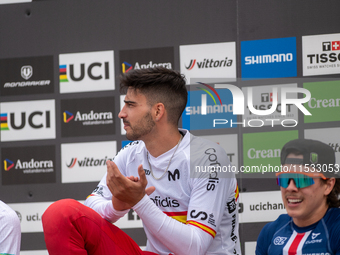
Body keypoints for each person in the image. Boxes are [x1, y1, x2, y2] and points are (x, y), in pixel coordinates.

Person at [42, 67, 241, 255]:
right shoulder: (131, 153)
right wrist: (117, 205)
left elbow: (195, 247)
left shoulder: (209, 158)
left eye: (130, 105)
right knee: (62, 214)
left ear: (157, 111)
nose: (122, 113)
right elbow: (90, 207)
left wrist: (138, 201)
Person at [256, 139, 340, 255]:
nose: (290, 187)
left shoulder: (336, 229)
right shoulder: (270, 232)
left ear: (328, 185)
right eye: (285, 178)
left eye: (302, 179)